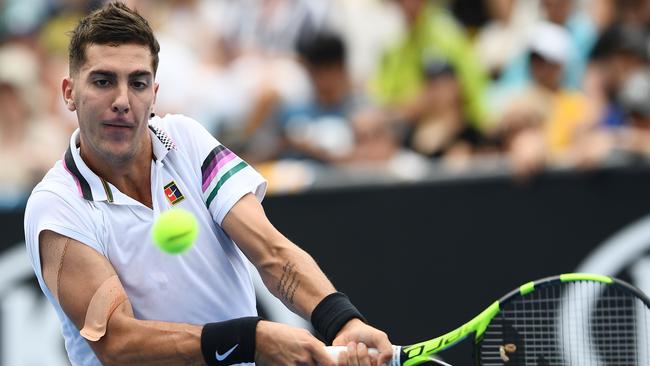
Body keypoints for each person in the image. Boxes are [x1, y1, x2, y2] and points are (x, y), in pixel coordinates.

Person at [23, 3, 392, 366]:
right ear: (69, 92)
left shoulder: (187, 139)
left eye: (138, 83)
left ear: (153, 94)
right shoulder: (56, 204)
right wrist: (251, 339)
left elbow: (272, 252)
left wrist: (341, 320)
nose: (122, 100)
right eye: (103, 81)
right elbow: (118, 343)